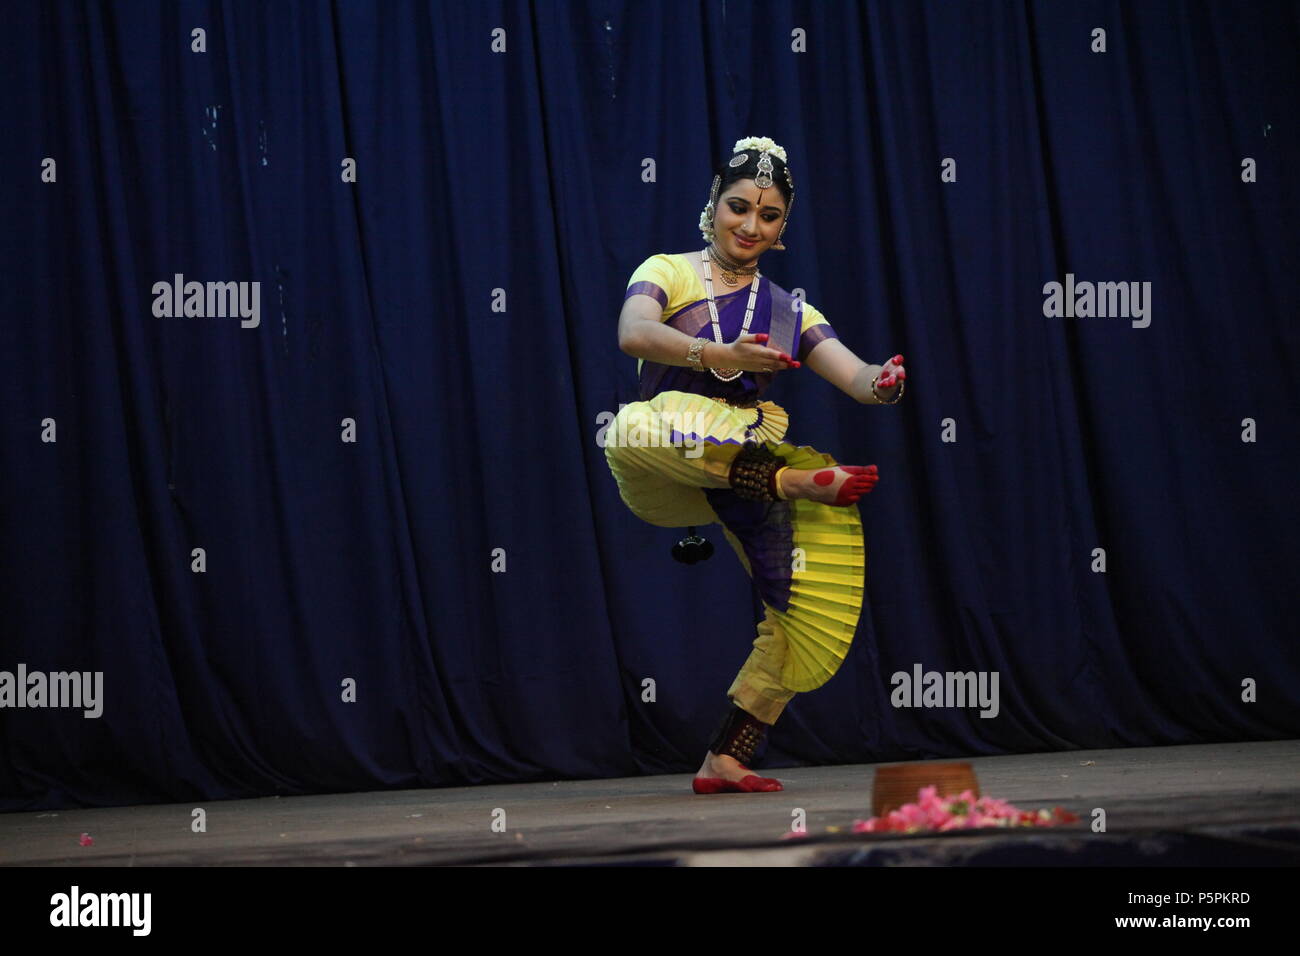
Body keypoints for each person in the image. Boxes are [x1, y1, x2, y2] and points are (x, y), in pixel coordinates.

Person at [604, 136, 906, 794]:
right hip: (667, 461)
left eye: (767, 216)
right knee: (625, 428)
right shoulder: (669, 270)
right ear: (713, 206)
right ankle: (788, 481)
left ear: (782, 229)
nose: (750, 225)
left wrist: (882, 382)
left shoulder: (790, 310)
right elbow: (633, 331)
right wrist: (714, 355)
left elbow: (852, 375)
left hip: (737, 468)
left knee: (801, 613)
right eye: (738, 207)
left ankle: (727, 757)